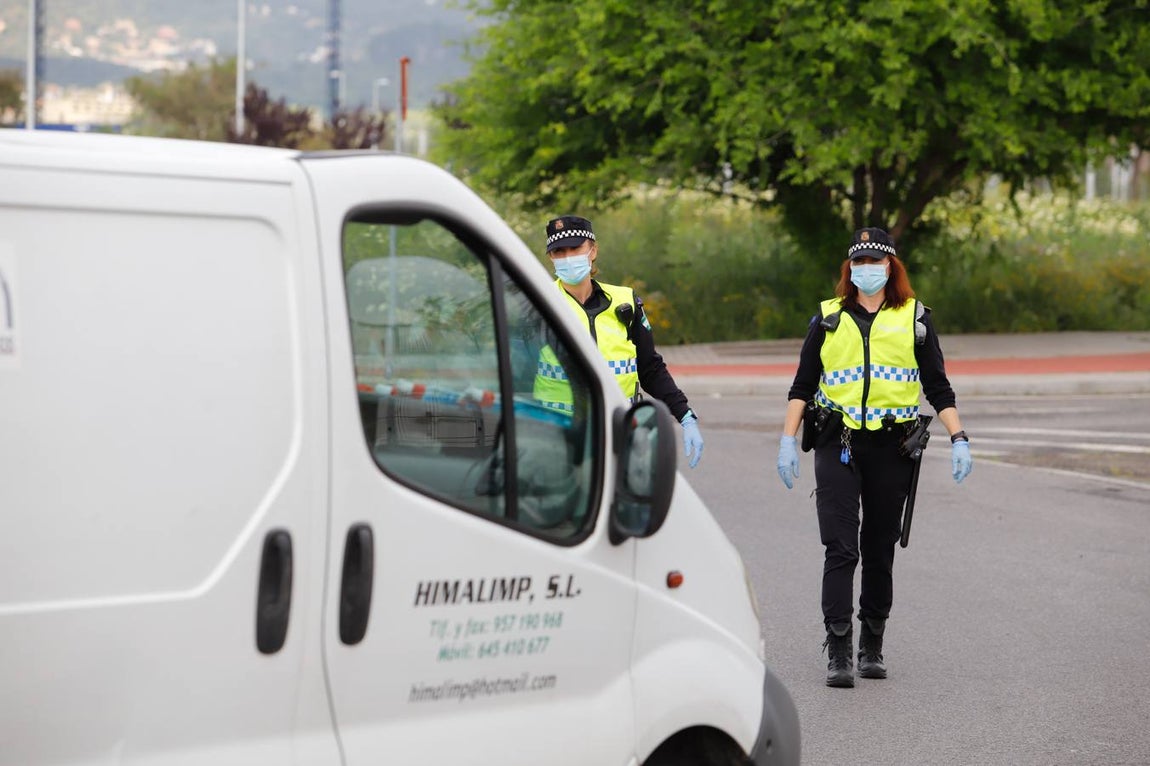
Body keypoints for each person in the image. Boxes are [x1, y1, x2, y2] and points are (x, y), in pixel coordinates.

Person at [775, 227, 972, 688]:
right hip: (837, 443)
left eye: (875, 261)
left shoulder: (916, 320)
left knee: (879, 546)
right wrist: (787, 440)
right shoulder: (827, 319)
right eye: (858, 261)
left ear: (890, 266)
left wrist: (958, 435)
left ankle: (872, 644)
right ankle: (839, 648)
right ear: (850, 268)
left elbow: (937, 386)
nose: (866, 268)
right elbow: (802, 387)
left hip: (893, 447)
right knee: (840, 547)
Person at [536, 215, 704, 468]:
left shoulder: (624, 302)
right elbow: (517, 369)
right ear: (550, 257)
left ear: (593, 250)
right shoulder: (539, 302)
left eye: (575, 248)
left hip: (617, 433)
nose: (568, 257)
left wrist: (685, 415)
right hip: (556, 438)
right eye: (559, 251)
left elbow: (649, 368)